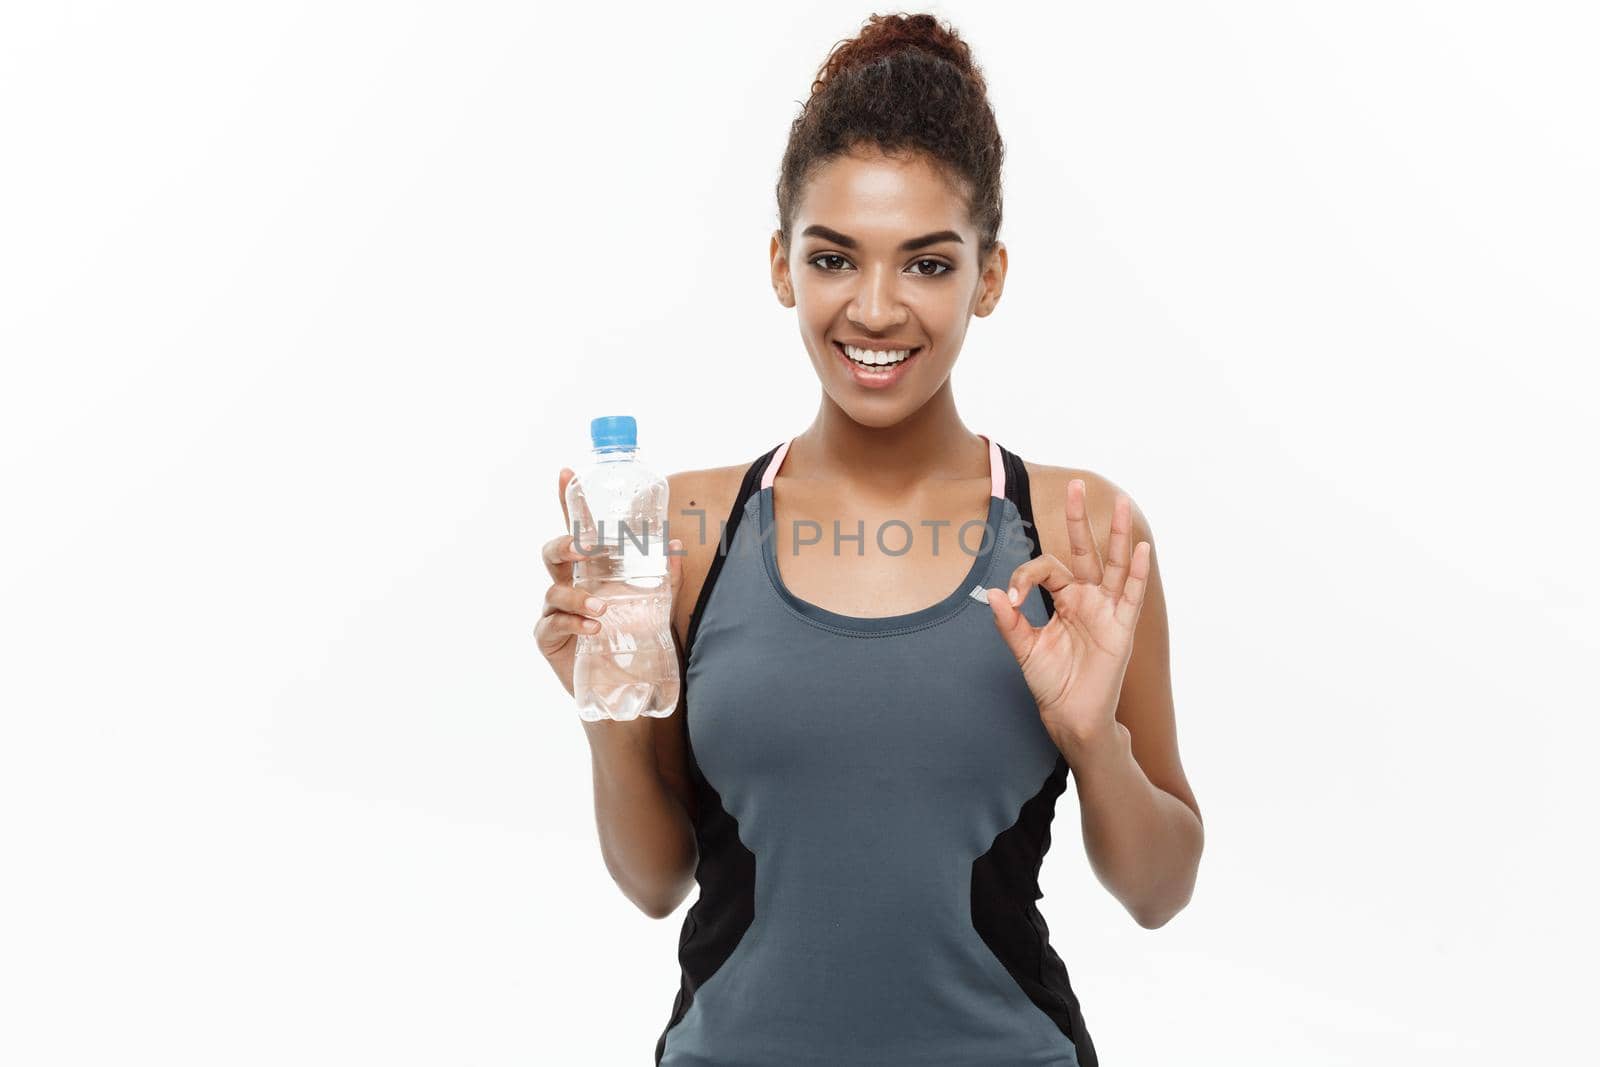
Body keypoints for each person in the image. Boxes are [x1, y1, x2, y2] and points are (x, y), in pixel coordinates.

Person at [537, 13, 1203, 1065]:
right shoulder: (687, 530)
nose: (877, 308)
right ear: (780, 265)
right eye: (836, 257)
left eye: (929, 264)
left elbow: (1160, 891)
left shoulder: (1078, 529)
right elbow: (656, 881)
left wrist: (1093, 741)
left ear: (988, 276)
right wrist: (606, 702)